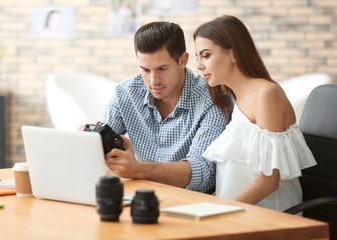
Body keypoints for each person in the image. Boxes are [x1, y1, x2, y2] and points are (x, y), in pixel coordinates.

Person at [193, 15, 317, 211]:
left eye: (206, 55)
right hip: (239, 212)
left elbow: (269, 181)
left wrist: (221, 209)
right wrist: (213, 202)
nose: (199, 65)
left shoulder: (266, 95)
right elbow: (237, 175)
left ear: (234, 54)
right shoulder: (238, 98)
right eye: (197, 57)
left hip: (268, 217)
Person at [100, 21, 227, 193]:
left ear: (183, 60)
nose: (153, 81)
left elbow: (203, 172)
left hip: (189, 203)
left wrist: (138, 168)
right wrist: (92, 142)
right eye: (145, 70)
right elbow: (105, 146)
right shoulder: (126, 92)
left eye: (162, 68)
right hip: (139, 197)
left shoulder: (212, 99)